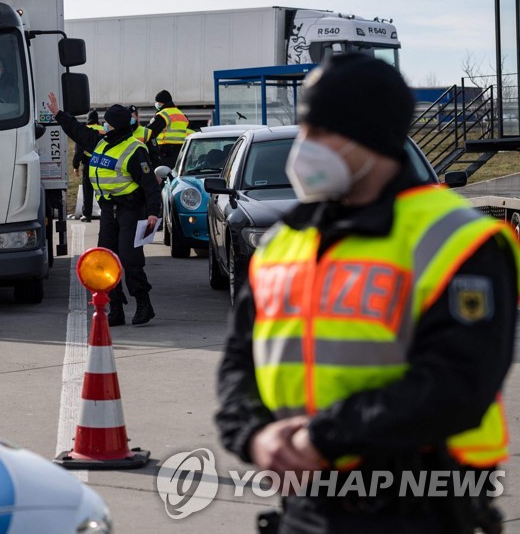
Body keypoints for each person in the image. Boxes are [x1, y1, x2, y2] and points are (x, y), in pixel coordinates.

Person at [215, 53, 519, 533]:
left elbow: (458, 382)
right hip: (304, 506)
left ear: (368, 136)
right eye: (304, 129)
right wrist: (255, 436)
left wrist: (324, 436)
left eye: (320, 132)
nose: (304, 147)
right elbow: (239, 361)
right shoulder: (284, 243)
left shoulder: (457, 239)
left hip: (418, 505)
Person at [48, 93, 161, 326]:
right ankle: (116, 308)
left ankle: (143, 304)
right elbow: (77, 132)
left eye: (107, 122)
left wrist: (153, 212)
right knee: (108, 260)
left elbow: (150, 185)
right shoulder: (101, 142)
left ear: (115, 126)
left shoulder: (134, 150)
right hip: (109, 211)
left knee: (130, 259)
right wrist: (59, 114)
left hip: (130, 209)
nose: (103, 125)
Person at [71, 109, 104, 222]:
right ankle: (106, 212)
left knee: (88, 190)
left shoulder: (85, 131)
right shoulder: (103, 130)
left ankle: (87, 214)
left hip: (89, 163)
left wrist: (75, 166)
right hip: (103, 163)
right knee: (103, 189)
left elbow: (79, 151)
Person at [147, 90, 190, 168]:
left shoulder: (163, 115)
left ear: (162, 103)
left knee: (163, 174)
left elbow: (149, 131)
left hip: (165, 151)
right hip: (181, 151)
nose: (157, 104)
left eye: (158, 102)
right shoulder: (181, 115)